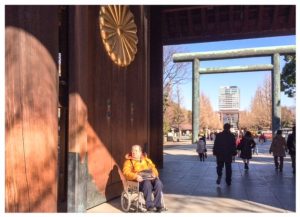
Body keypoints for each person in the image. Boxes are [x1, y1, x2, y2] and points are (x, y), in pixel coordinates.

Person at [122, 144, 163, 212]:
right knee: (147, 183)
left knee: (158, 183)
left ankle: (157, 205)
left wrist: (154, 174)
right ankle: (149, 205)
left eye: (136, 150)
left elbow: (153, 168)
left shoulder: (146, 160)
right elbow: (125, 173)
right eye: (132, 150)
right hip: (138, 182)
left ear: (140, 152)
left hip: (149, 178)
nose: (133, 152)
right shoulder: (128, 162)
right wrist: (136, 176)